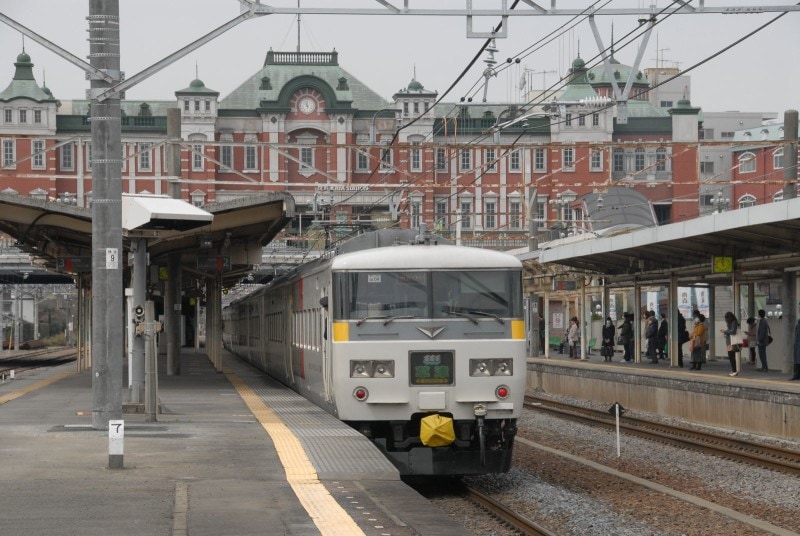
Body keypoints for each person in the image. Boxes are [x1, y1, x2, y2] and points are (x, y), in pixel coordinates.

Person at [721, 311, 741, 377]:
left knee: (731, 356)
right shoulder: (732, 322)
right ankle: (733, 370)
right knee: (731, 356)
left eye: (726, 318)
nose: (726, 320)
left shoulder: (733, 322)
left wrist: (725, 331)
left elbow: (733, 331)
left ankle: (734, 370)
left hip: (732, 342)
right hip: (729, 342)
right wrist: (725, 332)